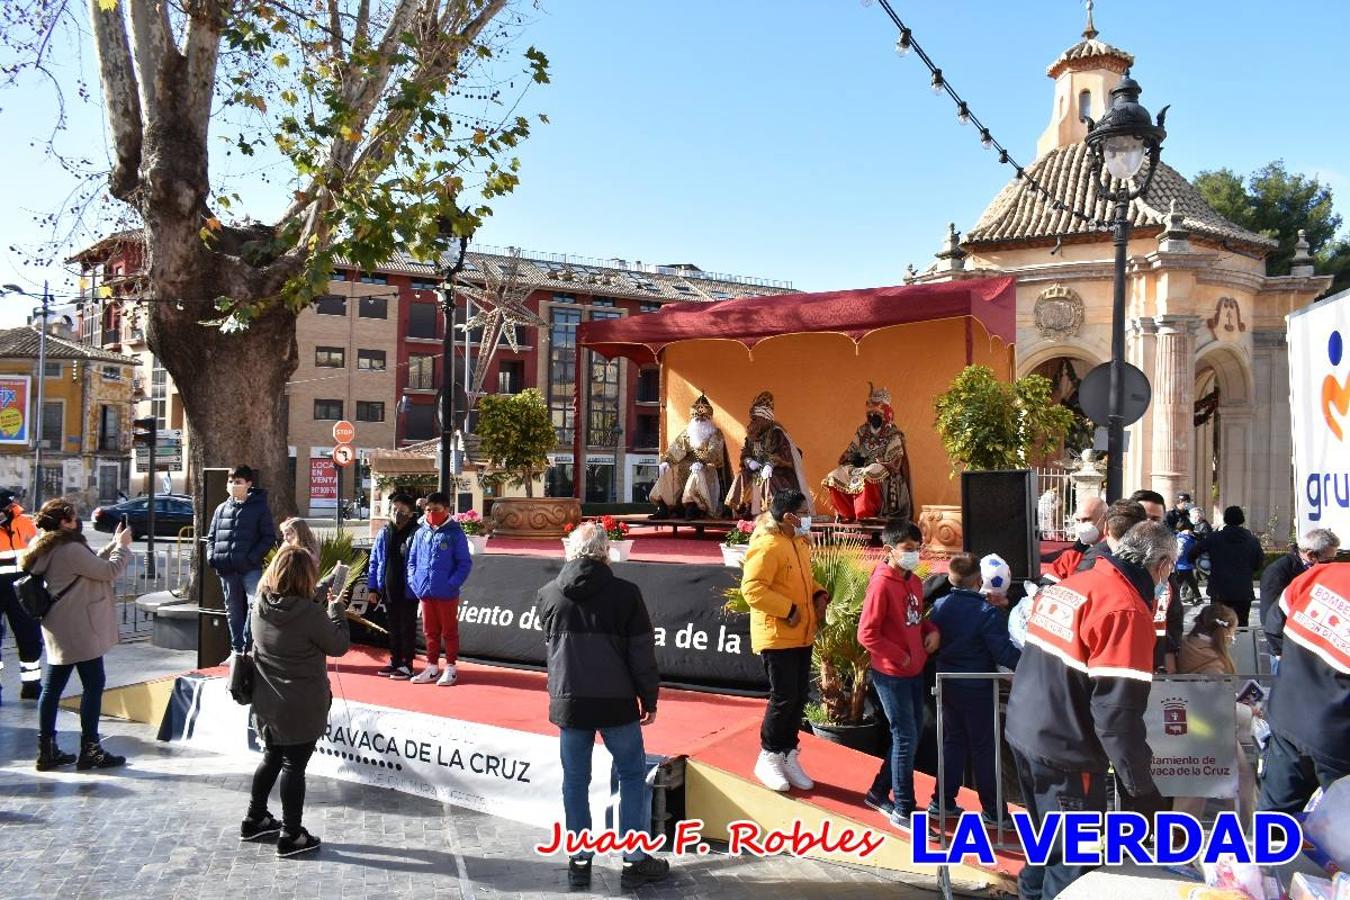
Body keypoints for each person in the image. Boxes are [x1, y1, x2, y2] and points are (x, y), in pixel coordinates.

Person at [1005, 520, 1173, 899]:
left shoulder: (1075, 585)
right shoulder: (1125, 611)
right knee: (1073, 863)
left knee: (1045, 845)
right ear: (1161, 565)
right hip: (1065, 748)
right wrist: (1139, 786)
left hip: (1026, 729)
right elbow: (1118, 714)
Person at [539, 522, 669, 890]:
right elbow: (641, 652)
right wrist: (650, 697)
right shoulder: (626, 593)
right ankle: (634, 857)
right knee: (631, 775)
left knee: (575, 782)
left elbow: (550, 648)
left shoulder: (549, 593)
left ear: (571, 549)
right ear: (605, 551)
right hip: (616, 702)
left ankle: (579, 858)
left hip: (570, 700)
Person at [243, 545, 351, 857]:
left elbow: (295, 604)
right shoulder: (311, 614)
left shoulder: (261, 604)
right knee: (294, 765)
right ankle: (291, 834)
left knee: (272, 758)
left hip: (266, 702)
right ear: (306, 578)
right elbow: (338, 644)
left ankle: (255, 818)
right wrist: (337, 609)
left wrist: (327, 584)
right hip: (301, 703)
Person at [22, 499, 133, 771]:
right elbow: (108, 571)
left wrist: (112, 544)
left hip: (59, 623)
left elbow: (89, 564)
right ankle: (91, 749)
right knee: (94, 685)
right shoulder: (69, 548)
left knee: (52, 688)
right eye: (72, 517)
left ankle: (47, 750)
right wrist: (123, 547)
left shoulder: (47, 545)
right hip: (79, 626)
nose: (77, 521)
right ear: (63, 521)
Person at [741, 488, 829, 793]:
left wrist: (818, 593)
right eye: (804, 512)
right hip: (777, 634)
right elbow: (752, 589)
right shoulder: (767, 545)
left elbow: (804, 580)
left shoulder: (797, 543)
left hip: (802, 633)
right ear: (790, 516)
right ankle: (769, 755)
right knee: (783, 697)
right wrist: (787, 609)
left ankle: (788, 753)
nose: (809, 518)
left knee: (798, 696)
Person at [926, 553, 1021, 828]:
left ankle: (941, 802)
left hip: (947, 685)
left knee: (951, 745)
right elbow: (1003, 652)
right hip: (977, 687)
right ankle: (994, 812)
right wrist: (1032, 663)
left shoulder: (941, 605)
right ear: (978, 581)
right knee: (984, 749)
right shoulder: (985, 613)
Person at [857, 518, 937, 829]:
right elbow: (867, 634)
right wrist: (901, 656)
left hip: (913, 670)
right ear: (889, 550)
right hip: (892, 674)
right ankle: (903, 806)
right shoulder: (880, 584)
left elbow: (916, 616)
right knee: (905, 737)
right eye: (908, 549)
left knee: (909, 736)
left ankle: (879, 792)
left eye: (917, 549)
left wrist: (931, 631)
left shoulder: (913, 581)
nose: (915, 554)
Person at [1259, 562, 1350, 813]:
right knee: (1341, 832)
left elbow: (1274, 623)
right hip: (1338, 738)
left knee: (1274, 821)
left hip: (1288, 714)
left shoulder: (1323, 574)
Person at [1173, 603, 1257, 826]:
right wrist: (1250, 711)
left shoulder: (1186, 645)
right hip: (1210, 729)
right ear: (1226, 630)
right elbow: (1218, 704)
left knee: (1193, 789)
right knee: (1241, 779)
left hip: (1187, 724)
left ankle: (1178, 842)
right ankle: (1243, 831)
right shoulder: (1212, 662)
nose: (1234, 637)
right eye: (1234, 631)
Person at [207, 465, 278, 654]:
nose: (233, 485)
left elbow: (268, 537)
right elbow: (211, 537)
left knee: (255, 605)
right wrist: (212, 557)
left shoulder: (260, 508)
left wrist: (251, 557)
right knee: (232, 611)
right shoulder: (221, 508)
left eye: (237, 482)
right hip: (226, 568)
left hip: (250, 569)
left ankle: (247, 646)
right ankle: (236, 650)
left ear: (248, 484)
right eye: (230, 481)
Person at [405, 491, 472, 686]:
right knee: (429, 631)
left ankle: (450, 668)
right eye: (428, 509)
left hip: (446, 593)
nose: (431, 513)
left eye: (436, 509)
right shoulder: (420, 532)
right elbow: (412, 561)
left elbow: (464, 563)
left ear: (447, 510)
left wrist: (451, 583)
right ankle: (432, 667)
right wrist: (414, 581)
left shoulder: (455, 533)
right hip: (425, 591)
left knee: (449, 632)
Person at [821, 383, 914, 523]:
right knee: (834, 475)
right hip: (860, 466)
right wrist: (852, 458)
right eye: (870, 414)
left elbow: (895, 461)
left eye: (876, 414)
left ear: (885, 415)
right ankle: (847, 514)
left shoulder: (893, 433)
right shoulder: (862, 431)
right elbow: (850, 451)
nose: (872, 417)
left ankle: (865, 515)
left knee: (871, 472)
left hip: (881, 469)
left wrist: (880, 462)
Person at [725, 392, 814, 519]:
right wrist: (749, 461)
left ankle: (771, 511)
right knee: (741, 476)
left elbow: (784, 453)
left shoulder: (777, 433)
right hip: (755, 470)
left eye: (755, 419)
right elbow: (746, 452)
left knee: (767, 479)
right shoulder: (751, 436)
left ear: (764, 419)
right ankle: (746, 510)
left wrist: (769, 465)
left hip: (777, 472)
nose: (752, 422)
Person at [648, 393, 730, 520]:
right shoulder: (688, 433)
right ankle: (663, 506)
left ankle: (693, 507)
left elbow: (715, 453)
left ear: (708, 419)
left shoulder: (715, 434)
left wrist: (701, 462)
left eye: (702, 419)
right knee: (668, 471)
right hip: (685, 466)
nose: (699, 421)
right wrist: (667, 461)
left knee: (697, 473)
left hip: (707, 468)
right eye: (696, 419)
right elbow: (676, 448)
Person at [367, 492, 421, 679]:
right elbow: (374, 561)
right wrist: (373, 588)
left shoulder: (417, 533)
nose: (397, 513)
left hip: (409, 590)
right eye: (394, 509)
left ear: (411, 513)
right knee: (394, 627)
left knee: (407, 627)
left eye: (402, 510)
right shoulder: (384, 532)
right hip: (388, 588)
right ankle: (395, 660)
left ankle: (407, 664)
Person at [1130, 489, 1183, 673]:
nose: (1149, 525)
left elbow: (1173, 615)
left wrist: (1170, 657)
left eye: (1155, 519)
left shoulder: (1166, 560)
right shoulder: (1110, 558)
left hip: (1156, 665)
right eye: (1144, 518)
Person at [0, 489, 43, 703]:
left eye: (9, 507)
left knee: (30, 637)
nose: (8, 510)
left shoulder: (24, 523)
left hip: (21, 588)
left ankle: (31, 685)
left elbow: (39, 551)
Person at [1196, 505, 1264, 627]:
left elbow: (1192, 554)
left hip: (1219, 590)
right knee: (1241, 628)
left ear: (1225, 519)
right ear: (1242, 520)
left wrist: (1207, 568)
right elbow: (1258, 564)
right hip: (1242, 591)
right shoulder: (1252, 540)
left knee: (1217, 628)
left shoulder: (1214, 538)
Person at [1259, 528, 1339, 628]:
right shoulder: (1277, 572)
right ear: (1311, 555)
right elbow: (1271, 616)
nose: (1331, 564)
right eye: (1328, 560)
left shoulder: (1323, 569)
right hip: (1289, 634)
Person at [1045, 495, 1107, 583]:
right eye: (1078, 520)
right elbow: (1050, 578)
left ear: (1104, 518)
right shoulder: (1072, 554)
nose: (1081, 525)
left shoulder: (1113, 552)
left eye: (1087, 520)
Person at [1173, 516, 1202, 606]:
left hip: (1180, 565)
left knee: (1177, 584)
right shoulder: (1191, 538)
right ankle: (1198, 597)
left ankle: (1173, 599)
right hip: (1188, 564)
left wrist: (1174, 559)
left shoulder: (1180, 538)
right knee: (1191, 582)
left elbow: (1179, 551)